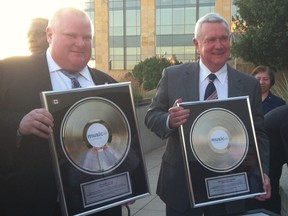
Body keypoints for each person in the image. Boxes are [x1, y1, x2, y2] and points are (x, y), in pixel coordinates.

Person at [145, 13, 271, 216]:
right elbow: (151, 116)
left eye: (224, 38)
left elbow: (259, 133)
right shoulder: (173, 76)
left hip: (229, 185)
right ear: (197, 43)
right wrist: (170, 120)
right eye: (211, 39)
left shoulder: (249, 85)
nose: (219, 45)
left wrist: (263, 171)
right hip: (181, 186)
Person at [0, 7, 122, 216]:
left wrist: (126, 183)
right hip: (33, 203)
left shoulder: (109, 84)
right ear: (49, 34)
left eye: (87, 37)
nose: (80, 43)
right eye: (71, 36)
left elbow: (120, 142)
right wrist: (19, 124)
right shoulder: (10, 72)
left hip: (98, 205)